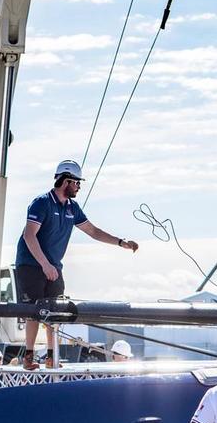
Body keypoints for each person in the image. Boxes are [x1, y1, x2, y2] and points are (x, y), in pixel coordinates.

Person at [15, 159, 138, 370]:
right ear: (66, 181)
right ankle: (29, 357)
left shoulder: (73, 208)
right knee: (34, 310)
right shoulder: (42, 202)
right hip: (31, 264)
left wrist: (120, 242)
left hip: (53, 266)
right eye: (77, 183)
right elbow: (29, 236)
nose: (79, 187)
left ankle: (52, 358)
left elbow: (93, 231)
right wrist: (44, 264)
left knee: (56, 310)